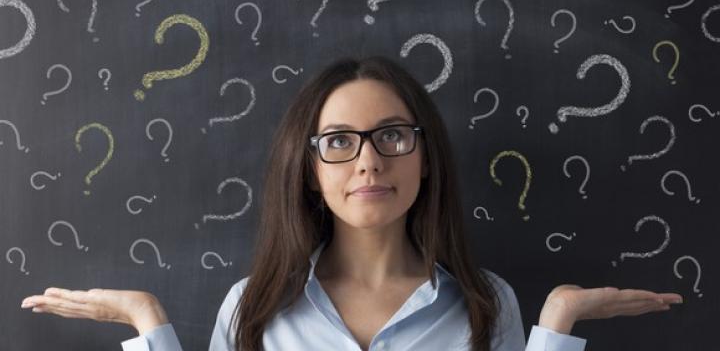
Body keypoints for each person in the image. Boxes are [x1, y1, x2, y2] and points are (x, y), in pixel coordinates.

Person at [21, 56, 683, 351]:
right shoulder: (253, 309)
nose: (369, 160)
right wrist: (148, 321)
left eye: (392, 135)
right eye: (339, 141)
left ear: (425, 157)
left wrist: (558, 324)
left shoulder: (486, 305)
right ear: (309, 170)